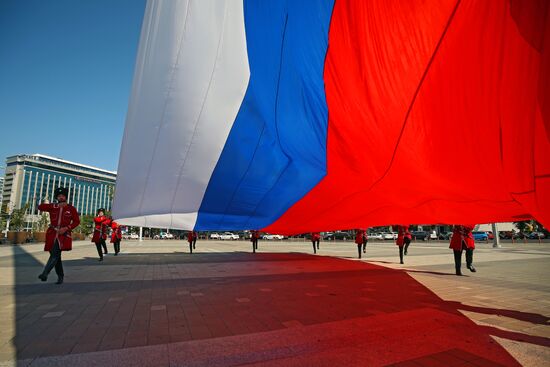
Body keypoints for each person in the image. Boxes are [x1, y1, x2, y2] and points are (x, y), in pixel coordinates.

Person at [37, 187, 80, 284]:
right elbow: (40, 207)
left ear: (66, 197)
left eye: (63, 196)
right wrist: (52, 205)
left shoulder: (71, 208)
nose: (61, 197)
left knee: (55, 254)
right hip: (52, 234)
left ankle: (45, 273)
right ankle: (60, 276)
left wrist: (67, 228)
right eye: (59, 196)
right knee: (56, 256)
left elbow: (77, 221)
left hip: (63, 235)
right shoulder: (53, 206)